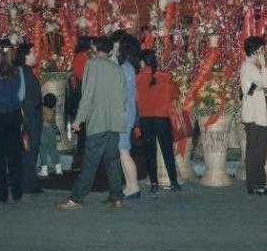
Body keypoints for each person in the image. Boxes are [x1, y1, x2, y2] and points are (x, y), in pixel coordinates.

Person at [58, 37, 126, 210]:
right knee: (112, 161)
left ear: (95, 49)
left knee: (90, 163)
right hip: (114, 122)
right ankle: (117, 197)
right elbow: (123, 96)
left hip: (97, 121)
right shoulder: (117, 68)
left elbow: (87, 94)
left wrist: (79, 119)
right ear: (110, 51)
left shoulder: (92, 64)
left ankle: (76, 198)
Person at [137, 49, 182, 193]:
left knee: (150, 152)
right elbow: (176, 93)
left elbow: (135, 99)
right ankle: (174, 182)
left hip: (145, 119)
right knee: (167, 151)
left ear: (142, 62)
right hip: (162, 119)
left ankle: (154, 184)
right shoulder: (166, 77)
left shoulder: (138, 79)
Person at [0, 39, 25, 203]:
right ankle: (17, 192)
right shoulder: (18, 71)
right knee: (15, 155)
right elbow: (21, 95)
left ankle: (1, 194)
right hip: (13, 114)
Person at [240, 36, 267, 196]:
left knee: (259, 148)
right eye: (261, 49)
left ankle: (258, 183)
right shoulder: (248, 67)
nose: (264, 52)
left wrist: (263, 70)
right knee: (256, 149)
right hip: (254, 112)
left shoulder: (254, 67)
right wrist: (264, 67)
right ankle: (255, 185)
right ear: (255, 51)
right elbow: (266, 83)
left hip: (260, 109)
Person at [16, 42, 44, 194]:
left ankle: (27, 181)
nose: (35, 55)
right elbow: (26, 99)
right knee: (29, 151)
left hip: (29, 117)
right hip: (30, 118)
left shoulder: (23, 71)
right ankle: (28, 184)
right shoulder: (24, 73)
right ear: (25, 55)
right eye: (33, 53)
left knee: (28, 151)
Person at [118, 34, 141, 198]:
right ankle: (130, 185)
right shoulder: (130, 67)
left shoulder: (125, 68)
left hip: (124, 113)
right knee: (123, 151)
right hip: (128, 112)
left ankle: (134, 187)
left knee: (124, 151)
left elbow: (122, 93)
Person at [68, 36, 91, 163]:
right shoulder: (82, 57)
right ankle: (83, 152)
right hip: (82, 90)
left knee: (83, 123)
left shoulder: (80, 56)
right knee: (83, 123)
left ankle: (82, 151)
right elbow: (83, 75)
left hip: (81, 89)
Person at [38, 93, 62, 177]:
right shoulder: (53, 111)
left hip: (43, 131)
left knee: (43, 150)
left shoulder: (41, 109)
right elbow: (53, 123)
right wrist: (57, 132)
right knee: (53, 150)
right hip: (51, 131)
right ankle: (58, 168)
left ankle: (44, 170)